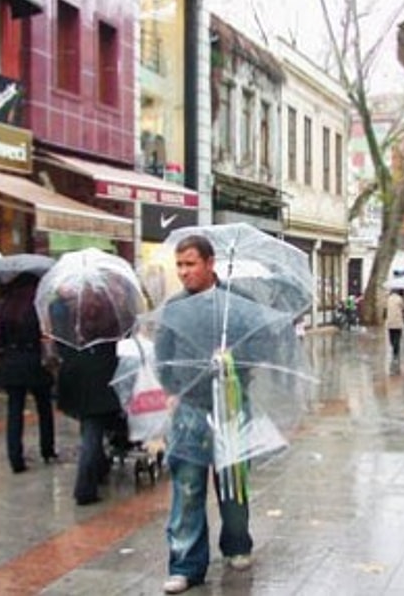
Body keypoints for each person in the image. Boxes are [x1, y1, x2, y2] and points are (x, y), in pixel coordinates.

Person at [155, 235, 254, 594]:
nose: (183, 272)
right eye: (179, 264)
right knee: (188, 486)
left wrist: (232, 364)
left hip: (230, 404)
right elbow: (163, 356)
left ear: (210, 263)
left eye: (190, 263)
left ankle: (238, 544)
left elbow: (255, 351)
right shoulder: (174, 308)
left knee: (233, 485)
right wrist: (173, 389)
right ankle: (185, 564)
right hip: (190, 408)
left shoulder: (236, 304)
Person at [51, 285, 124, 506]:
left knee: (89, 424)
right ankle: (85, 487)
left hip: (74, 370)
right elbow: (122, 337)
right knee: (93, 429)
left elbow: (59, 342)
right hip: (103, 371)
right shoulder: (111, 308)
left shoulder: (64, 309)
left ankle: (99, 468)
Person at [0, 275, 56, 474]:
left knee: (14, 411)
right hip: (35, 362)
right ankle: (47, 449)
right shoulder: (38, 308)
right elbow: (46, 333)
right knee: (44, 407)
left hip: (12, 362)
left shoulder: (5, 308)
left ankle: (15, 457)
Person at [385, 289, 404, 357]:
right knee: (397, 336)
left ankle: (393, 345)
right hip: (398, 321)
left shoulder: (388, 299)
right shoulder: (400, 299)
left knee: (391, 336)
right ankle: (396, 350)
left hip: (390, 321)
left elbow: (385, 308)